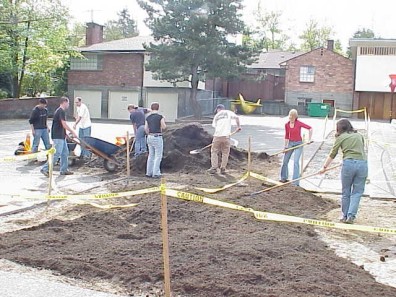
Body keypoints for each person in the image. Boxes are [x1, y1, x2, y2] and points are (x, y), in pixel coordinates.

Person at [320, 119, 368, 224]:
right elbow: (361, 150)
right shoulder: (359, 135)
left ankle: (344, 215)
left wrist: (324, 167)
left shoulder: (340, 138)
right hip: (363, 164)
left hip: (348, 164)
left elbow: (332, 154)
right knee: (357, 192)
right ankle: (351, 215)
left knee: (346, 191)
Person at [41, 97, 77, 177]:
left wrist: (66, 135)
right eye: (68, 103)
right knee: (57, 153)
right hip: (57, 136)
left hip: (61, 136)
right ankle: (45, 168)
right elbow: (64, 124)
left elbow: (61, 126)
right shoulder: (60, 111)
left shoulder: (61, 111)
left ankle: (63, 170)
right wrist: (72, 132)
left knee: (65, 153)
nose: (68, 105)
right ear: (64, 102)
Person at [280, 109, 312, 185]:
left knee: (296, 162)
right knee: (285, 161)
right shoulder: (287, 124)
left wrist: (309, 140)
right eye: (290, 117)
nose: (291, 119)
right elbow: (287, 136)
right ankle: (283, 178)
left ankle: (295, 182)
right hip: (290, 143)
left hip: (298, 144)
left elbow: (310, 128)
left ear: (295, 117)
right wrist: (285, 147)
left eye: (292, 117)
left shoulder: (299, 123)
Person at [208, 104, 241, 175]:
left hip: (217, 136)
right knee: (225, 153)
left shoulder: (216, 116)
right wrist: (238, 126)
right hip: (226, 137)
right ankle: (223, 168)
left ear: (217, 109)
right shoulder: (228, 112)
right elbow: (237, 117)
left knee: (214, 151)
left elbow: (215, 126)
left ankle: (214, 168)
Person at [144, 102, 166, 178]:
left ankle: (148, 172)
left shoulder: (148, 117)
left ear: (151, 108)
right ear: (158, 108)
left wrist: (148, 134)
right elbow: (164, 127)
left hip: (149, 137)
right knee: (158, 156)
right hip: (157, 137)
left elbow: (146, 128)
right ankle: (156, 173)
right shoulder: (160, 117)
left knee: (151, 155)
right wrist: (164, 120)